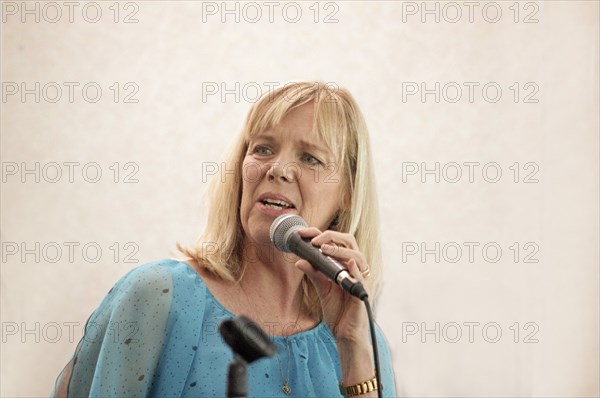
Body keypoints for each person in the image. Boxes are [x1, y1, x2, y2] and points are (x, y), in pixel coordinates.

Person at [51, 81, 396, 397]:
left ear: (348, 192)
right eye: (263, 149)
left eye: (310, 158)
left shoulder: (364, 341)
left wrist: (354, 350)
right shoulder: (157, 295)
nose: (277, 168)